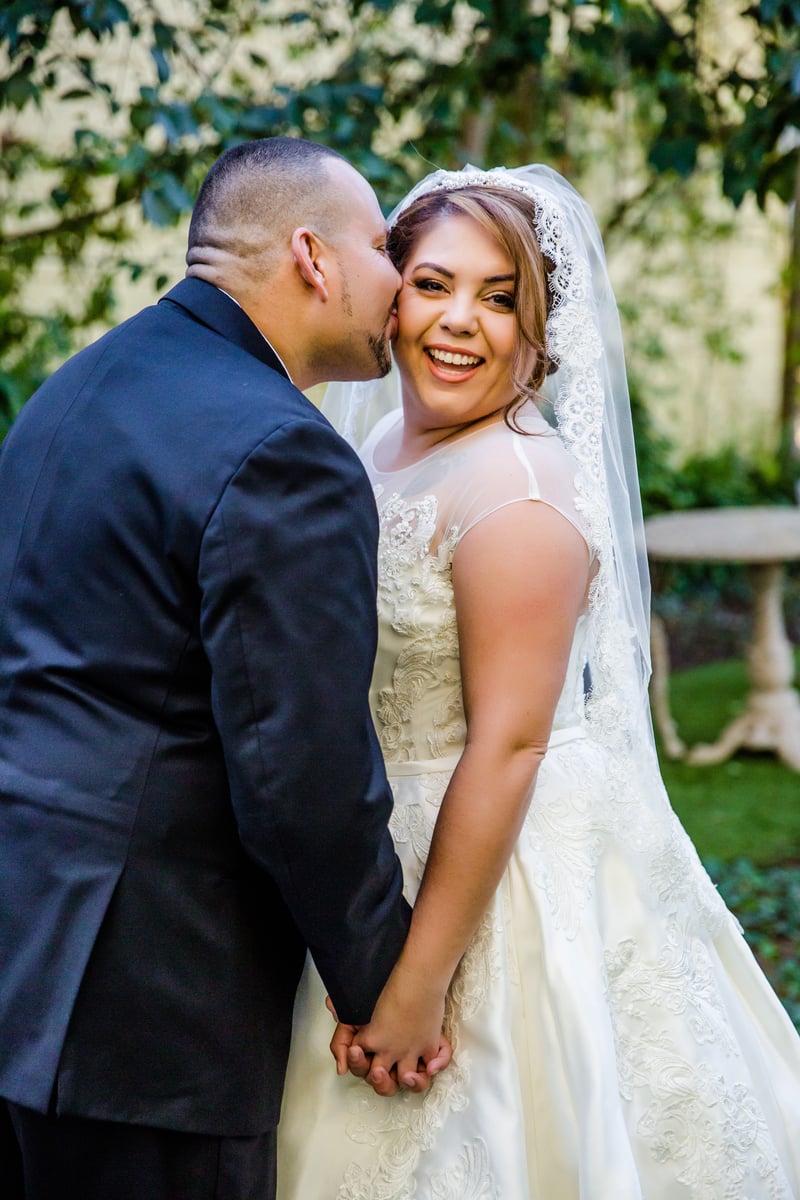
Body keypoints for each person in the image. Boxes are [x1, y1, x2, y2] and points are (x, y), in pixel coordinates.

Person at [277, 165, 800, 1199]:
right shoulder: (385, 442)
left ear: (540, 328)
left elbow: (509, 746)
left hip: (497, 867)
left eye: (499, 296)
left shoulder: (516, 494)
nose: (457, 321)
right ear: (390, 294)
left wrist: (418, 986)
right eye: (432, 284)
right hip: (384, 839)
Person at [0, 136, 450, 1200]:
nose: (398, 286)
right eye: (383, 249)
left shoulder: (77, 387)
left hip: (23, 945)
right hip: (149, 1003)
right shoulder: (283, 453)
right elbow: (301, 775)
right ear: (312, 257)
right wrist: (383, 983)